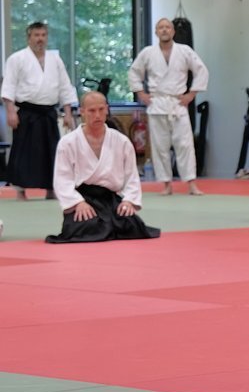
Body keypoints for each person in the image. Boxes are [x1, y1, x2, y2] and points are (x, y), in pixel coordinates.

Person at [46, 91, 159, 243]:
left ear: (107, 109)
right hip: (83, 197)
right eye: (92, 111)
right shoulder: (68, 142)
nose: (97, 115)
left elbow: (131, 176)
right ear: (82, 112)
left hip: (110, 198)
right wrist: (77, 203)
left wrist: (129, 200)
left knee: (131, 225)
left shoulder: (121, 141)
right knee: (86, 227)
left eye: (101, 109)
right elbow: (62, 179)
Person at [128, 18, 209, 196]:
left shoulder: (184, 51)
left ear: (173, 32)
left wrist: (192, 94)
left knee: (185, 144)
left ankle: (191, 183)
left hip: (178, 104)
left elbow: (201, 70)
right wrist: (141, 93)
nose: (164, 30)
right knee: (160, 146)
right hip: (157, 103)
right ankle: (166, 184)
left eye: (167, 27)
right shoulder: (148, 53)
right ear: (156, 32)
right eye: (160, 28)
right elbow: (134, 72)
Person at [2, 21, 78, 200]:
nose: (40, 39)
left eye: (43, 35)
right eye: (36, 35)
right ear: (29, 38)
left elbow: (64, 86)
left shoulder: (55, 59)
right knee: (23, 152)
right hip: (27, 112)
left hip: (48, 112)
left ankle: (51, 189)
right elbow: (9, 86)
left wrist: (67, 113)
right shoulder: (17, 58)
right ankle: (21, 190)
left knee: (51, 152)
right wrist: (10, 112)